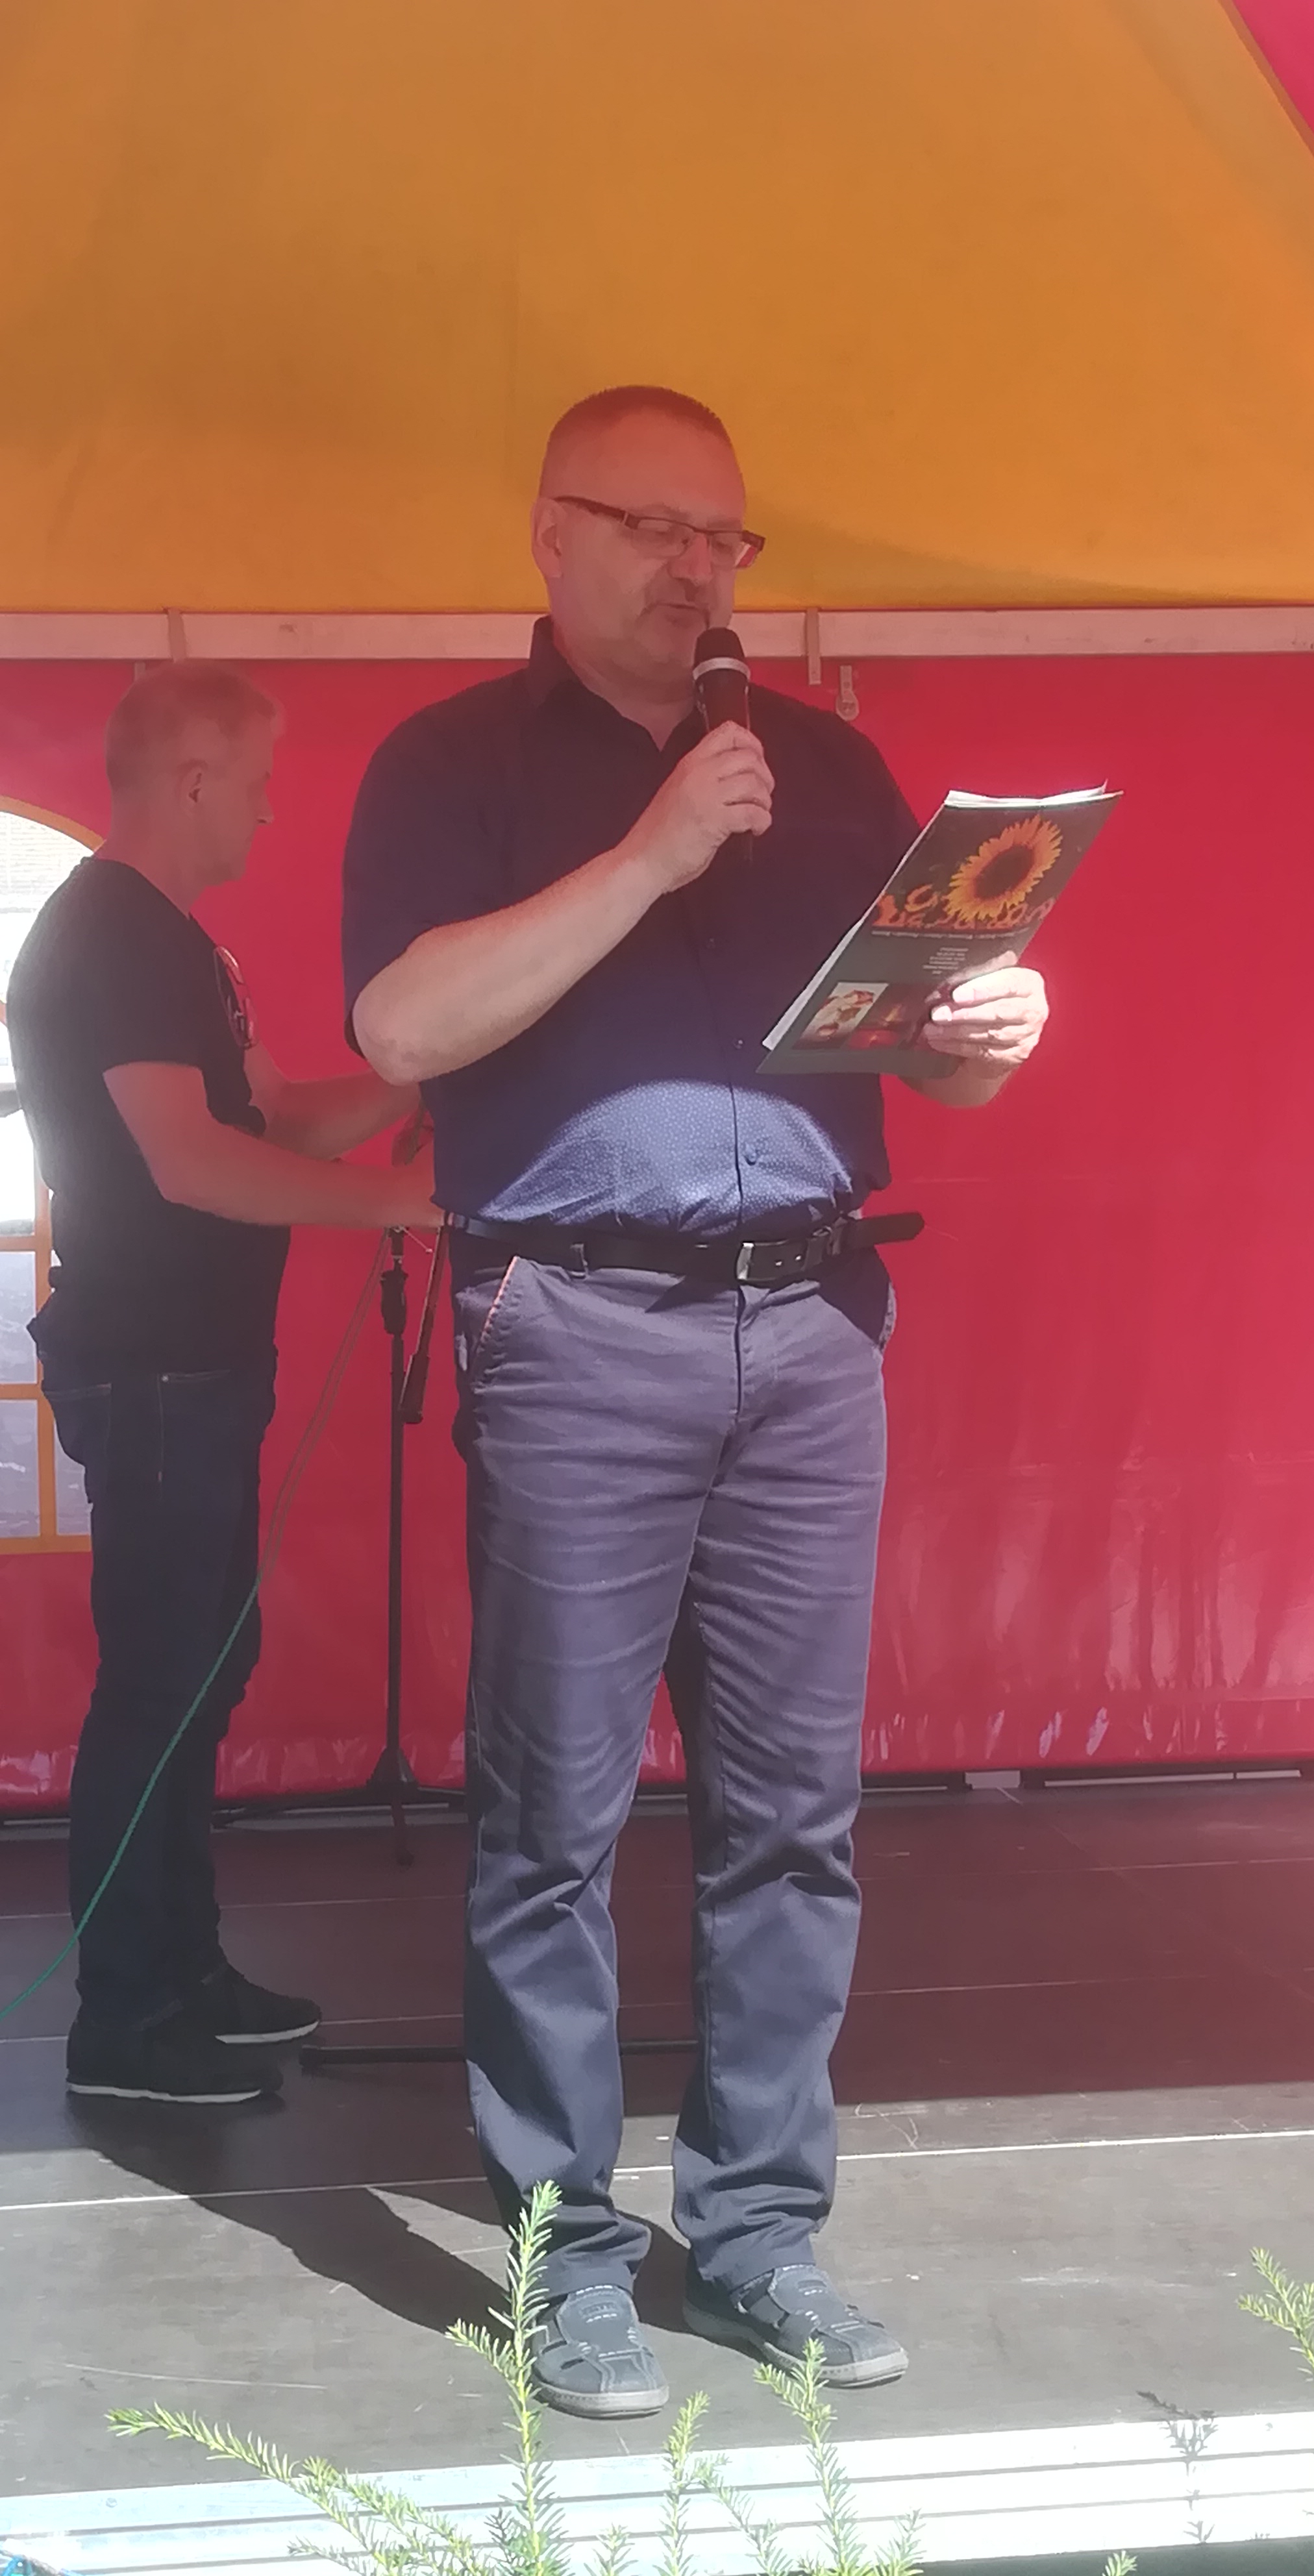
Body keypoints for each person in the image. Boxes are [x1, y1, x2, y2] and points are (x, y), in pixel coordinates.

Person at [341, 386, 1049, 2416]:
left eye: (725, 538)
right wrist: (648, 858)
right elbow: (402, 1024)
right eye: (653, 526)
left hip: (813, 1328)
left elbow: (921, 1047)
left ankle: (753, 2236)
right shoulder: (450, 762)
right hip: (577, 1329)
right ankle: (564, 2255)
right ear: (549, 534)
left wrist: (989, 1028)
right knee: (554, 1817)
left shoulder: (830, 765)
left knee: (793, 1822)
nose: (696, 570)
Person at [7, 663, 438, 2108]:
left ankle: (183, 1969)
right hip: (155, 1367)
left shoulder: (181, 946)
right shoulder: (112, 937)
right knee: (159, 1682)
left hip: (203, 1365)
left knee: (204, 1668)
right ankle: (125, 2023)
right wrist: (398, 1205)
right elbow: (188, 1162)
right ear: (191, 781)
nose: (266, 813)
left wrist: (422, 1071)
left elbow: (279, 1114)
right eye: (254, 784)